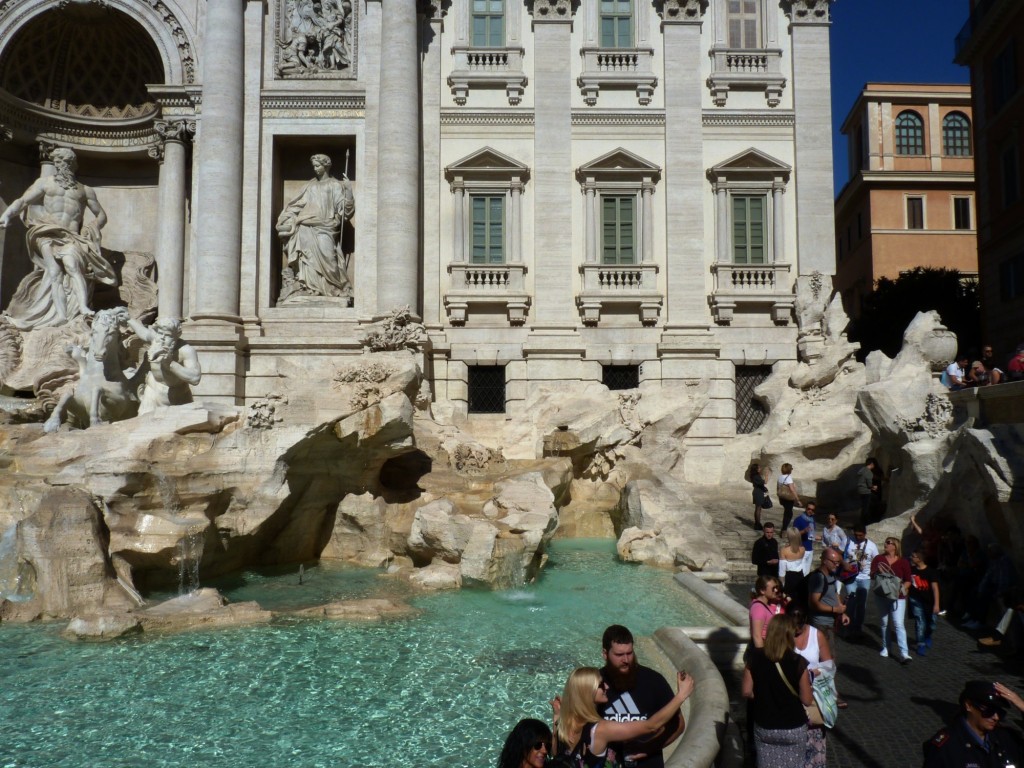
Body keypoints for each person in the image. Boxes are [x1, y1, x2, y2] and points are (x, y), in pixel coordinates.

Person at [0, 147, 117, 330]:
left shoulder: (85, 190)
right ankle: (62, 315)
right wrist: (7, 214)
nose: (63, 166)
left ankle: (82, 306)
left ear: (73, 164)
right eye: (59, 162)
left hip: (71, 236)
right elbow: (23, 201)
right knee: (54, 272)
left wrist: (91, 227)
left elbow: (101, 215)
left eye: (66, 162)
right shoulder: (45, 183)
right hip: (47, 232)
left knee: (72, 267)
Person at [553, 666, 693, 768]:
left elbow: (555, 754)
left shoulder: (562, 723)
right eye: (601, 685)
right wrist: (681, 695)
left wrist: (557, 715)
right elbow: (651, 726)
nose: (607, 686)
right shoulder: (600, 730)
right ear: (588, 692)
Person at [598, 625, 685, 768]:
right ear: (605, 654)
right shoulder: (595, 685)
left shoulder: (653, 680)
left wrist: (649, 748)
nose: (626, 660)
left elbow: (678, 724)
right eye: (619, 655)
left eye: (630, 653)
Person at [275, 153, 355, 302]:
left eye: (318, 166)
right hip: (306, 226)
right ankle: (310, 289)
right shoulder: (310, 185)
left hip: (326, 227)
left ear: (325, 166)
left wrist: (349, 191)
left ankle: (333, 289)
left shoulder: (335, 185)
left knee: (329, 257)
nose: (315, 169)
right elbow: (297, 205)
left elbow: (345, 210)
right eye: (314, 167)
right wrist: (287, 218)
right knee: (307, 259)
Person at [742, 614, 812, 768]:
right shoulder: (798, 662)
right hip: (793, 727)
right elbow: (807, 700)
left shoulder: (754, 657)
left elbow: (747, 691)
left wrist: (762, 695)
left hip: (765, 724)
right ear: (790, 635)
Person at [923, 681, 1024, 767]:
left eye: (1000, 713)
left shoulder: (1005, 738)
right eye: (989, 711)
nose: (996, 717)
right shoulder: (946, 747)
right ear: (969, 705)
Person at [125, 316, 202, 414]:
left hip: (178, 397)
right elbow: (143, 332)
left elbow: (195, 378)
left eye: (168, 335)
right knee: (145, 425)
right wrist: (128, 319)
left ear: (177, 336)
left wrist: (170, 363)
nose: (162, 338)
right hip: (152, 393)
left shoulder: (186, 350)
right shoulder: (156, 340)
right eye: (159, 333)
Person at [790, 605, 833, 768]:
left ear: (805, 622)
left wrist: (811, 673)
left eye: (799, 627)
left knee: (814, 741)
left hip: (815, 696)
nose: (796, 631)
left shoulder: (817, 635)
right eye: (793, 627)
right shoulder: (784, 636)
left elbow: (828, 665)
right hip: (793, 695)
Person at [871, 536, 913, 663]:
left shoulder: (903, 562)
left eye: (888, 543)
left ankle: (904, 653)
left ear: (895, 546)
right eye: (885, 542)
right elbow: (871, 574)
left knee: (898, 624)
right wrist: (877, 571)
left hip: (898, 597)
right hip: (881, 595)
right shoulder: (879, 559)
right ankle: (886, 647)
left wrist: (901, 589)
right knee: (884, 623)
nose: (885, 544)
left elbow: (908, 580)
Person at [841, 524, 879, 639]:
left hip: (865, 577)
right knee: (851, 601)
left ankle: (858, 627)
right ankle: (849, 626)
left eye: (860, 535)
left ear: (865, 534)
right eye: (856, 535)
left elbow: (877, 561)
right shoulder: (847, 541)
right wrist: (844, 564)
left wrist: (873, 572)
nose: (858, 538)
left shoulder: (872, 546)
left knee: (862, 604)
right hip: (851, 576)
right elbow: (839, 555)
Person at [908, 547, 941, 657]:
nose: (911, 558)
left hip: (929, 601)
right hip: (915, 600)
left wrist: (936, 604)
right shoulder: (911, 570)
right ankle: (921, 643)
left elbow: (935, 588)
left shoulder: (931, 572)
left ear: (920, 558)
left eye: (913, 556)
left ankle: (927, 636)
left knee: (932, 624)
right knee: (920, 621)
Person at [749, 575, 785, 649]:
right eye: (773, 588)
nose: (776, 590)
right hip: (763, 650)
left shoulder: (765, 606)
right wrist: (761, 656)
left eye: (776, 588)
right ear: (762, 591)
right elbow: (757, 636)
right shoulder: (759, 608)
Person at [778, 528, 809, 610]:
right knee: (799, 602)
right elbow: (803, 565)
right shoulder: (802, 549)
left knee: (788, 603)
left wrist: (781, 585)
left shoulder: (784, 550)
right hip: (800, 576)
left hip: (789, 578)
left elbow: (782, 571)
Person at [792, 501, 818, 573]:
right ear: (805, 508)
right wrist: (804, 531)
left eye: (812, 510)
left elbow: (812, 535)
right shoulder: (798, 520)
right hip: (801, 549)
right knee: (800, 572)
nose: (810, 511)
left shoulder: (812, 520)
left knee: (807, 573)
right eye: (809, 509)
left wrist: (818, 537)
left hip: (810, 550)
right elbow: (793, 535)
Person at [777, 463, 802, 532]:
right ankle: (784, 529)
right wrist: (797, 499)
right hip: (788, 498)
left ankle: (784, 528)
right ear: (789, 470)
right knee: (788, 514)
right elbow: (792, 490)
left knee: (786, 513)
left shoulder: (780, 477)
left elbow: (778, 488)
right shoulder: (788, 478)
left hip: (782, 497)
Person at [856, 458, 880, 527]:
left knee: (864, 506)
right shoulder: (869, 472)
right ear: (871, 464)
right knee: (866, 507)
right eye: (874, 464)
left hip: (860, 491)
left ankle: (862, 521)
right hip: (866, 492)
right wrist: (874, 487)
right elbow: (869, 485)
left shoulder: (862, 470)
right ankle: (865, 522)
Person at [748, 462, 771, 530]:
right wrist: (767, 475)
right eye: (759, 467)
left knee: (759, 508)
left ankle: (757, 523)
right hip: (758, 493)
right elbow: (765, 482)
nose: (760, 468)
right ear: (756, 469)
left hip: (758, 492)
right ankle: (757, 524)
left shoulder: (756, 475)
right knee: (758, 508)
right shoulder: (756, 476)